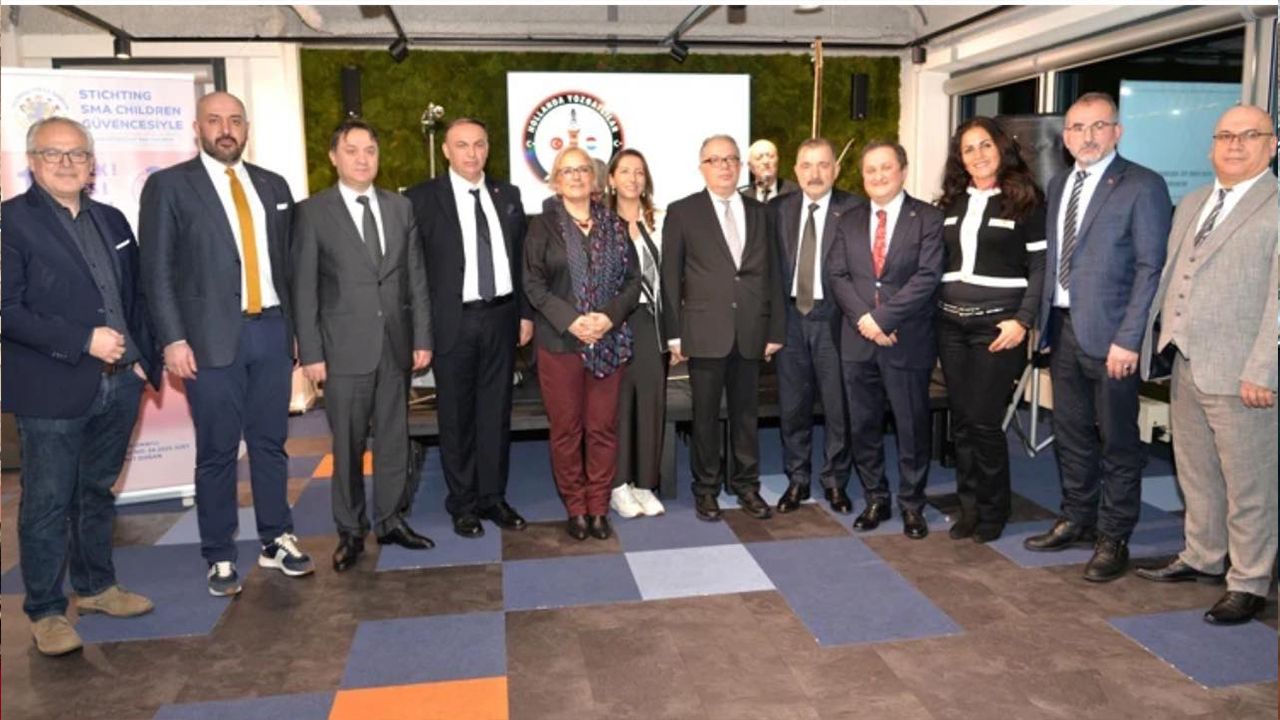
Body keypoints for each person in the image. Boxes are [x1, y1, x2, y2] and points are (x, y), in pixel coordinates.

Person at [140, 92, 313, 596]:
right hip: (208, 340)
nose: (226, 129)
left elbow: (288, 265)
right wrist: (172, 339)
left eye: (235, 120)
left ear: (246, 128)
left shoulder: (273, 185)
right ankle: (218, 552)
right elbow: (156, 271)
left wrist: (296, 333)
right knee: (217, 450)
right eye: (215, 120)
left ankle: (276, 537)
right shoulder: (169, 186)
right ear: (197, 128)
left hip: (272, 331)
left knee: (270, 444)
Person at [2, 117, 162, 655]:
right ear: (32, 161)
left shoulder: (112, 218)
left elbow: (135, 295)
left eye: (77, 154)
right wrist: (82, 341)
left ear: (92, 163)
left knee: (95, 492)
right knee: (47, 502)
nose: (67, 163)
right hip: (52, 386)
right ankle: (46, 611)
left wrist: (141, 358)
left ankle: (96, 588)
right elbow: (6, 310)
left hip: (120, 384)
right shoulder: (11, 222)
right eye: (53, 153)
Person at [1135, 105, 1277, 624]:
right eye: (1225, 135)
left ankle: (1249, 580)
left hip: (1243, 374)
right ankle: (1203, 555)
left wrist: (1264, 369)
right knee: (1196, 472)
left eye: (1249, 135)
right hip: (1188, 361)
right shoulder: (1194, 201)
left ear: (1272, 146)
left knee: (1250, 486)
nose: (1235, 144)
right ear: (1212, 145)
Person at [1023, 92, 1171, 583]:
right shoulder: (1060, 182)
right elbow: (1055, 259)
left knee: (1118, 442)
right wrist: (1044, 324)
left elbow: (1150, 268)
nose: (1087, 136)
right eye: (1077, 128)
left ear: (1117, 132)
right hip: (1063, 329)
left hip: (1113, 338)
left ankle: (1114, 536)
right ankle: (1077, 517)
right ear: (1065, 138)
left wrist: (1129, 338)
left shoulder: (1142, 185)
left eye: (1098, 126)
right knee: (1070, 434)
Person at [292, 119, 435, 571]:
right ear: (333, 157)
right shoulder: (313, 212)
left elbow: (415, 278)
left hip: (395, 345)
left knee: (395, 440)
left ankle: (390, 520)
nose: (362, 158)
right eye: (351, 150)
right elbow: (304, 289)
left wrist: (422, 337)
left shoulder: (400, 207)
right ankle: (350, 531)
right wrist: (311, 352)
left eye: (370, 150)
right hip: (342, 351)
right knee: (348, 446)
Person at [404, 118, 533, 538]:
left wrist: (525, 314)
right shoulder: (421, 199)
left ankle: (492, 497)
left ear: (488, 148)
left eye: (479, 144)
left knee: (496, 413)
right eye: (462, 145)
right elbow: (412, 272)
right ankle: (462, 503)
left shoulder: (507, 195)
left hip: (501, 318)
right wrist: (420, 332)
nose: (472, 153)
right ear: (446, 150)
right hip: (452, 322)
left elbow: (521, 259)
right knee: (456, 417)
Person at [934, 117, 1047, 543]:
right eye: (968, 149)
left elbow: (1040, 266)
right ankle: (969, 508)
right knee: (962, 421)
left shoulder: (1026, 201)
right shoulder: (950, 203)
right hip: (950, 326)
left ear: (1001, 148)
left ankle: (994, 510)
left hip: (998, 327)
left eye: (985, 145)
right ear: (959, 159)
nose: (978, 155)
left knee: (984, 421)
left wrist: (1023, 320)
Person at [662, 134, 785, 523]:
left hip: (751, 329)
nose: (725, 166)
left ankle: (746, 485)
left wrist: (776, 330)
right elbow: (670, 277)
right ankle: (706, 489)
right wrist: (674, 334)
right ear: (702, 167)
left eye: (731, 159)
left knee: (747, 415)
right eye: (715, 160)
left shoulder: (762, 213)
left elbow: (774, 274)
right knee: (705, 417)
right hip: (704, 331)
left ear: (741, 165)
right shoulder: (682, 212)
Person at [827, 141, 944, 540]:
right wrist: (865, 319)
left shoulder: (927, 218)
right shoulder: (847, 220)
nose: (878, 176)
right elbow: (838, 275)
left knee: (911, 426)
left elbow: (927, 277)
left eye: (886, 168)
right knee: (863, 425)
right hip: (857, 339)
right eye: (870, 170)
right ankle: (876, 497)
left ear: (903, 171)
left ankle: (912, 504)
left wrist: (883, 318)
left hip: (906, 339)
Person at [524, 148, 640, 540]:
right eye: (567, 170)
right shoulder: (541, 227)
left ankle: (598, 507)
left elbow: (633, 282)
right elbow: (533, 284)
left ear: (594, 178)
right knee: (567, 431)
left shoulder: (615, 225)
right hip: (560, 344)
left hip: (609, 340)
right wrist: (572, 321)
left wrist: (607, 317)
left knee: (603, 429)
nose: (575, 176)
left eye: (582, 170)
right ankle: (575, 507)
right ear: (556, 181)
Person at [771, 138, 864, 515]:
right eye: (807, 165)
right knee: (793, 407)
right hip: (790, 319)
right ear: (795, 171)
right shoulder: (777, 210)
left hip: (836, 320)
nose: (815, 173)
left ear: (836, 170)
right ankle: (797, 479)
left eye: (823, 164)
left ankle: (835, 481)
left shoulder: (855, 209)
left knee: (838, 407)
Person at [607, 148, 668, 518]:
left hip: (650, 322)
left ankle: (644, 483)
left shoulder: (661, 220)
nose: (633, 178)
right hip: (612, 323)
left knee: (650, 403)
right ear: (611, 179)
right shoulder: (599, 223)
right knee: (616, 406)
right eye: (625, 171)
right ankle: (618, 485)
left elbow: (673, 279)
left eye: (639, 172)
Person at [740, 139, 800, 204]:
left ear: (778, 161)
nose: (766, 161)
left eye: (771, 156)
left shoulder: (796, 193)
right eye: (759, 158)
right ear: (750, 166)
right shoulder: (742, 199)